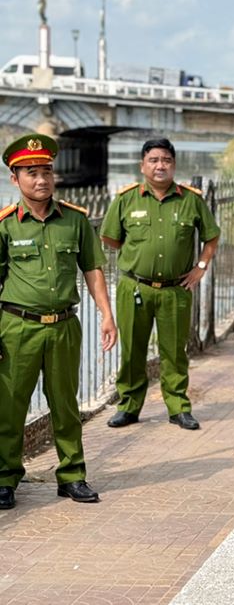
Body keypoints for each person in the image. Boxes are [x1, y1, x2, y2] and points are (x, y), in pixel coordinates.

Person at [0, 134, 117, 509]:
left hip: (65, 325)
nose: (41, 180)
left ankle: (72, 476)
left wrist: (106, 314)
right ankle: (5, 479)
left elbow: (93, 269)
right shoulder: (5, 225)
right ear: (15, 179)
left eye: (46, 171)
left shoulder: (76, 221)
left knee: (65, 403)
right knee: (10, 405)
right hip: (17, 327)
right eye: (31, 172)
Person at [101, 138, 220, 431]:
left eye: (166, 160)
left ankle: (178, 407)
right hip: (135, 288)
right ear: (143, 165)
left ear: (174, 165)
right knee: (132, 351)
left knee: (174, 352)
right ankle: (128, 406)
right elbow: (110, 237)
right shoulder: (126, 199)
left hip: (176, 289)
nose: (160, 165)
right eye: (153, 160)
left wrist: (200, 268)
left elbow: (211, 237)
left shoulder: (191, 199)